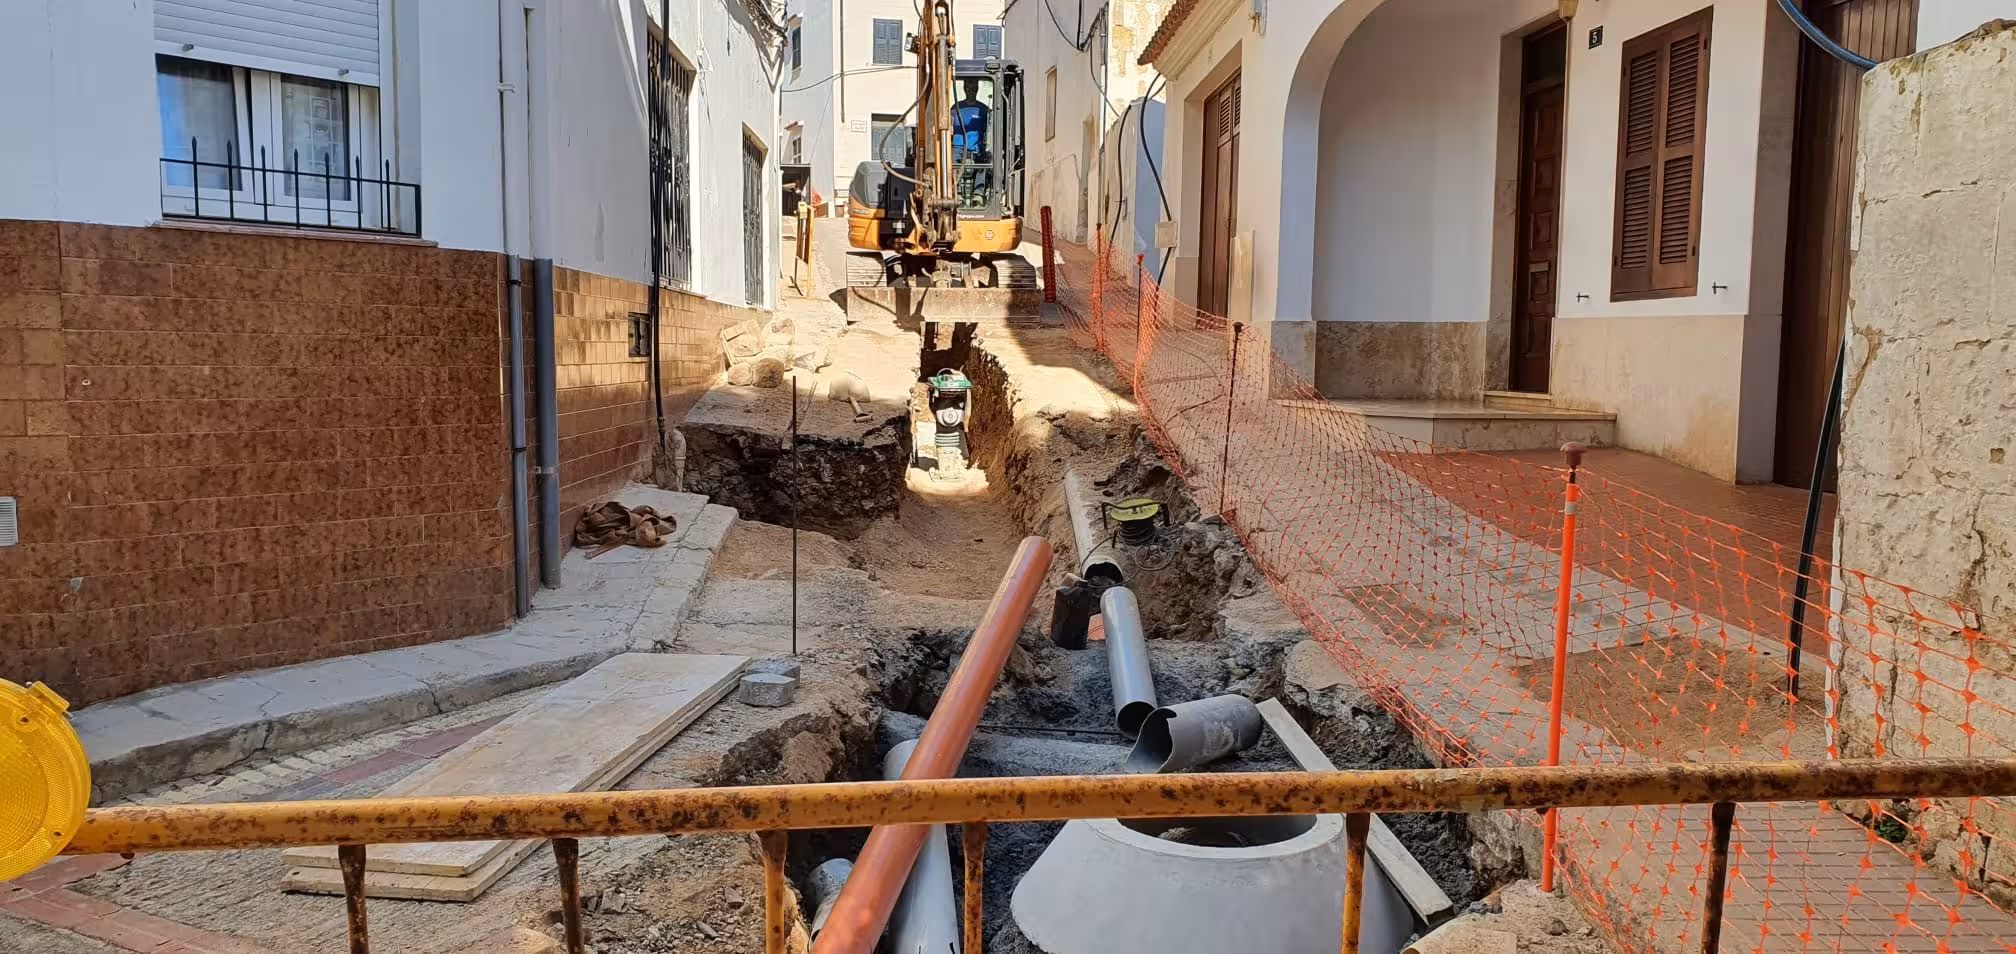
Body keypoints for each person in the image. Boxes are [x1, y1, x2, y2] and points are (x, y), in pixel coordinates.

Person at [951, 79, 989, 161]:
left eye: (974, 89)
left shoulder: (983, 109)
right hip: (957, 151)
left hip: (976, 150)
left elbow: (989, 131)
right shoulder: (955, 108)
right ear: (964, 89)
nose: (971, 92)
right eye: (968, 89)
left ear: (977, 89)